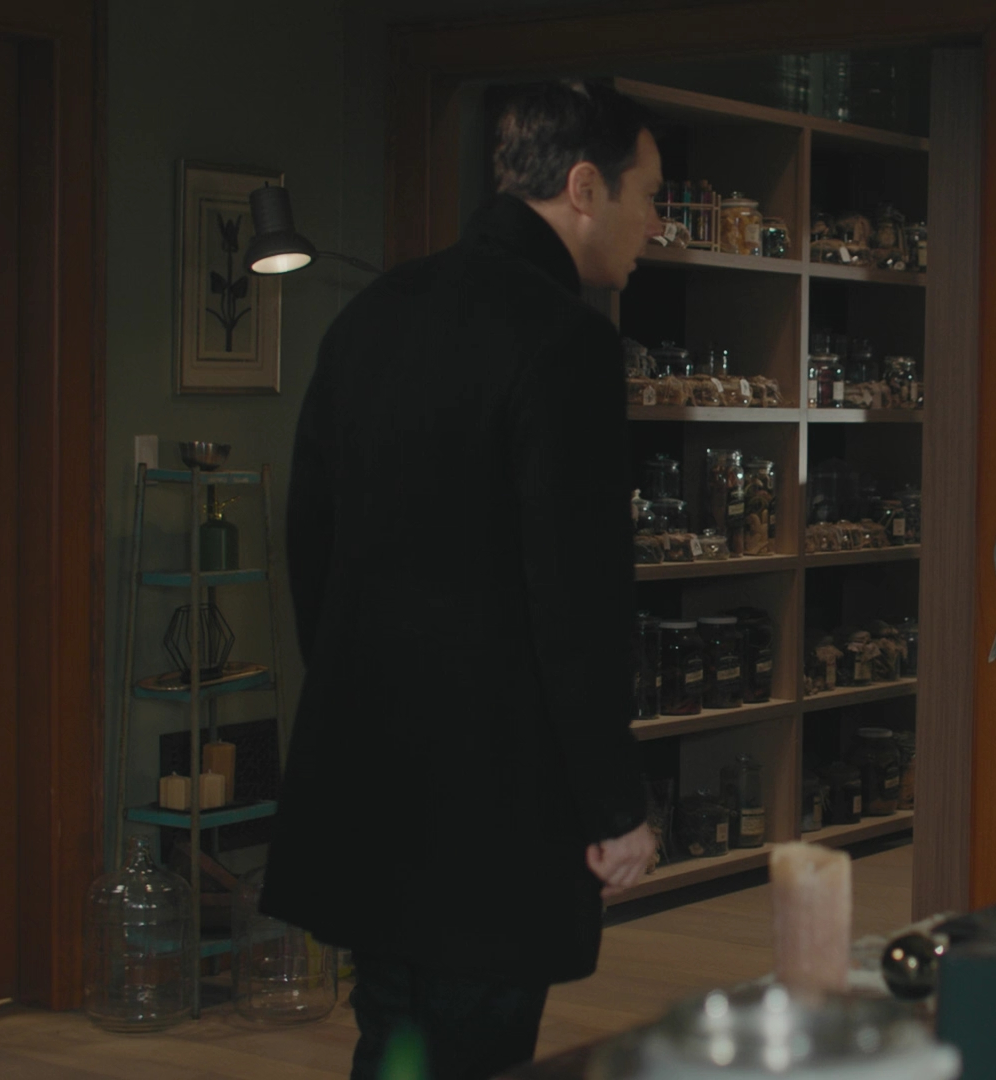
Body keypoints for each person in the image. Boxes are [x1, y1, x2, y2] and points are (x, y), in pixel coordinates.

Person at [263, 80, 664, 1080]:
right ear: (584, 189)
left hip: (366, 772)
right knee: (473, 1050)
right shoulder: (567, 341)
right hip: (495, 803)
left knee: (395, 1036)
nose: (655, 224)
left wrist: (358, 685)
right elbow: (577, 600)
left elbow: (310, 544)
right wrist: (614, 806)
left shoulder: (369, 317)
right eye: (649, 196)